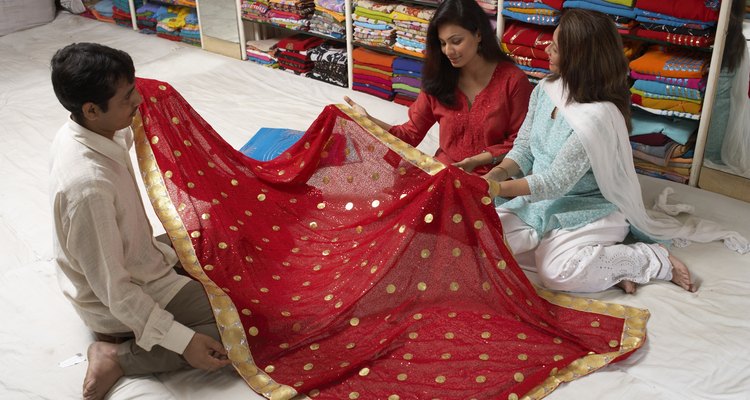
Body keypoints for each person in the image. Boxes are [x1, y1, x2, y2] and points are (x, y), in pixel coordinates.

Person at [483, 9, 748, 294]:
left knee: (555, 272)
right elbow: (524, 148)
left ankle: (648, 258)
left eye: (556, 47)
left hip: (588, 208)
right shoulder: (546, 89)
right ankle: (605, 266)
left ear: (577, 60)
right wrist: (497, 173)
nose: (546, 48)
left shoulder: (596, 118)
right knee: (484, 240)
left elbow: (554, 182)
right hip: (542, 204)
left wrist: (497, 188)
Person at [49, 43, 231, 400]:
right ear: (91, 109)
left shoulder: (88, 126)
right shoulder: (88, 187)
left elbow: (140, 114)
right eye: (128, 98)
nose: (138, 103)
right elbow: (115, 291)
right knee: (234, 324)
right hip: (118, 294)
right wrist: (184, 342)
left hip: (140, 255)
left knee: (215, 232)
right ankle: (117, 355)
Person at [344, 0, 532, 175]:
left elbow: (521, 144)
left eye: (456, 41)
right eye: (442, 43)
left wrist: (478, 162)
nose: (448, 51)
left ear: (479, 34)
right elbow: (410, 134)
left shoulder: (513, 81)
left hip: (494, 181)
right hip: (444, 175)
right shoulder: (439, 79)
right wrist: (368, 121)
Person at [704, 0, 750, 178]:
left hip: (722, 33)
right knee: (721, 97)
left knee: (720, 97)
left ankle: (709, 154)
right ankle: (710, 154)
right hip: (728, 34)